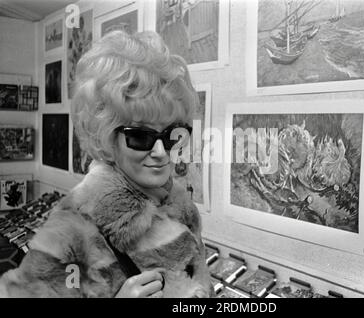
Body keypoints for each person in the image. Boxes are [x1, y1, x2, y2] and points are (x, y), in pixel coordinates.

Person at [0, 30, 213, 298]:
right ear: (107, 137)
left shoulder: (181, 207)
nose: (161, 152)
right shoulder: (73, 229)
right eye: (139, 136)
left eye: (172, 135)